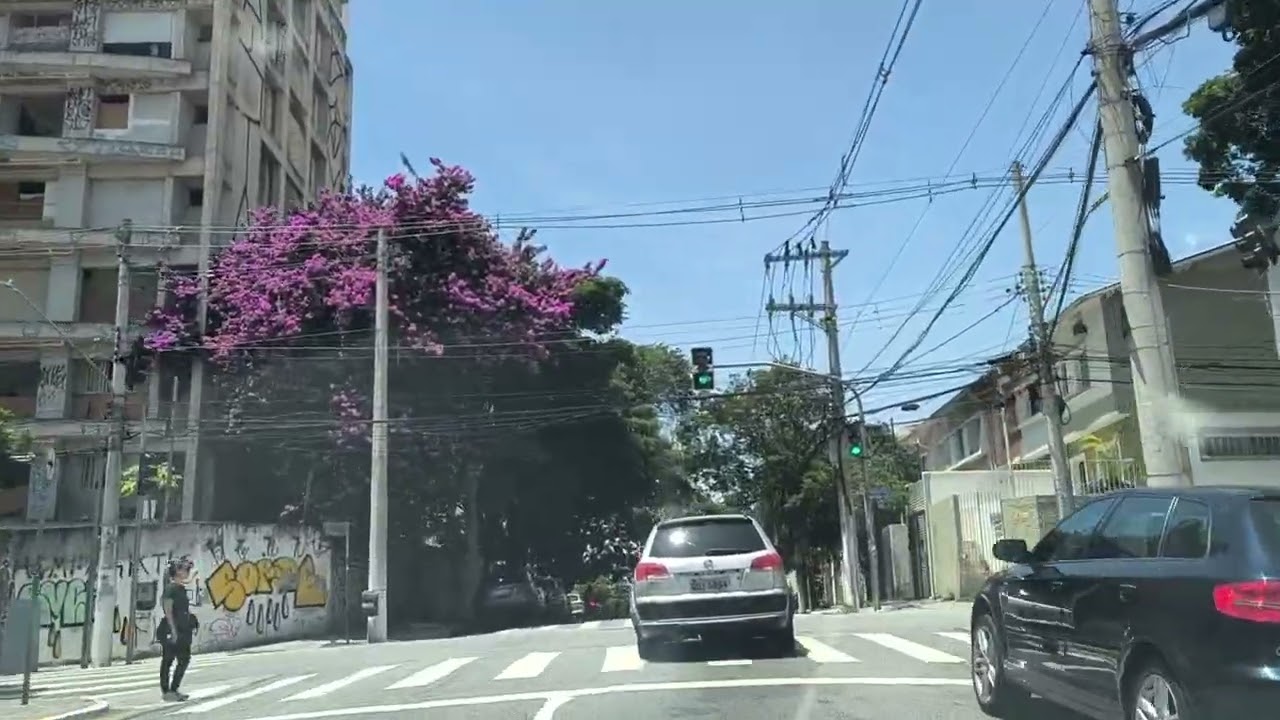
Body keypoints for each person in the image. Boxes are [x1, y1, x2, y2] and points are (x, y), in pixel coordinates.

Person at [158, 558, 195, 702]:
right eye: (184, 570)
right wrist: (173, 630)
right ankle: (167, 691)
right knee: (168, 660)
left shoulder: (180, 588)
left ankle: (174, 689)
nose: (187, 572)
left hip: (182, 629)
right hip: (172, 629)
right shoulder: (171, 588)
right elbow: (168, 609)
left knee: (184, 659)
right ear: (177, 572)